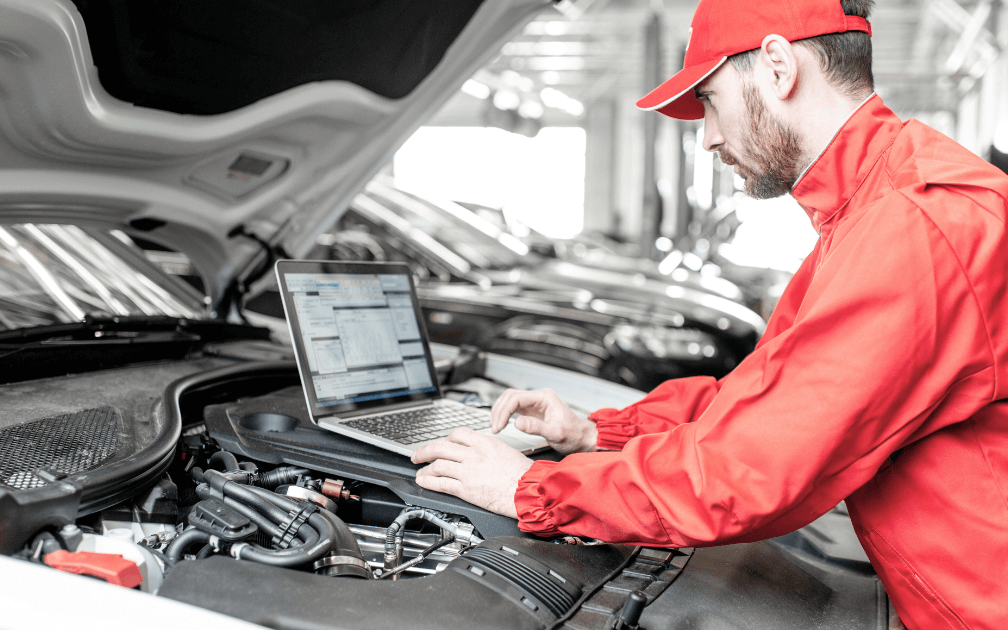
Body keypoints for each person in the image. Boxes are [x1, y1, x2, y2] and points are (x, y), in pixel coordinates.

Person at [412, 0, 1008, 627]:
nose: (709, 137)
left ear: (778, 66)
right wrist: (596, 432)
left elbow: (749, 468)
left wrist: (527, 490)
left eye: (711, 100)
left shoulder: (916, 224)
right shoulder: (872, 207)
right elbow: (761, 400)